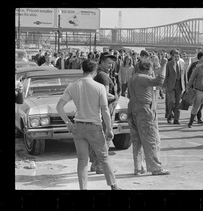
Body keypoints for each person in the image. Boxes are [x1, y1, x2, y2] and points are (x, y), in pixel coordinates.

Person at [56, 59, 121, 190]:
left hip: (78, 125)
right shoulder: (100, 87)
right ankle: (113, 186)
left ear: (83, 69)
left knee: (82, 160)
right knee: (104, 157)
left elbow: (59, 107)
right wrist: (109, 129)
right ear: (95, 71)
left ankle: (83, 188)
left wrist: (68, 122)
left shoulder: (73, 86)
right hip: (94, 126)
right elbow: (105, 110)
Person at [128, 57, 170, 175]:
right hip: (144, 110)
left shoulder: (133, 78)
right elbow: (160, 80)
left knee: (137, 141)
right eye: (152, 68)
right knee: (151, 139)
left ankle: (138, 167)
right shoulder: (143, 78)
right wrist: (163, 65)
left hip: (133, 109)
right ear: (147, 69)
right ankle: (155, 167)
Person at [89, 52, 120, 174]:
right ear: (101, 62)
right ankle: (101, 166)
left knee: (98, 139)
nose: (110, 66)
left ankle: (95, 164)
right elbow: (105, 95)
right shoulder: (103, 77)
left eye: (112, 64)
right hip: (105, 110)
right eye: (108, 63)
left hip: (100, 111)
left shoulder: (100, 75)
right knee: (105, 138)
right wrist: (115, 96)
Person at [186, 53, 203, 131]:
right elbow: (192, 78)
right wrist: (188, 87)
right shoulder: (198, 68)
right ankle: (190, 122)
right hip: (198, 91)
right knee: (196, 108)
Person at [163, 49, 187, 124]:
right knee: (170, 102)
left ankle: (176, 119)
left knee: (178, 103)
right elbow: (166, 76)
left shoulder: (183, 64)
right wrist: (164, 86)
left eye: (178, 56)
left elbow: (185, 76)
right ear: (173, 57)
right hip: (171, 86)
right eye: (175, 56)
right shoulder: (169, 64)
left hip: (179, 85)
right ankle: (170, 115)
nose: (177, 58)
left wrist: (186, 87)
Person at [187, 50, 203, 125]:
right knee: (196, 104)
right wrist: (189, 85)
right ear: (200, 57)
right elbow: (190, 75)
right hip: (195, 87)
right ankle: (194, 118)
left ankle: (199, 118)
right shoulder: (194, 65)